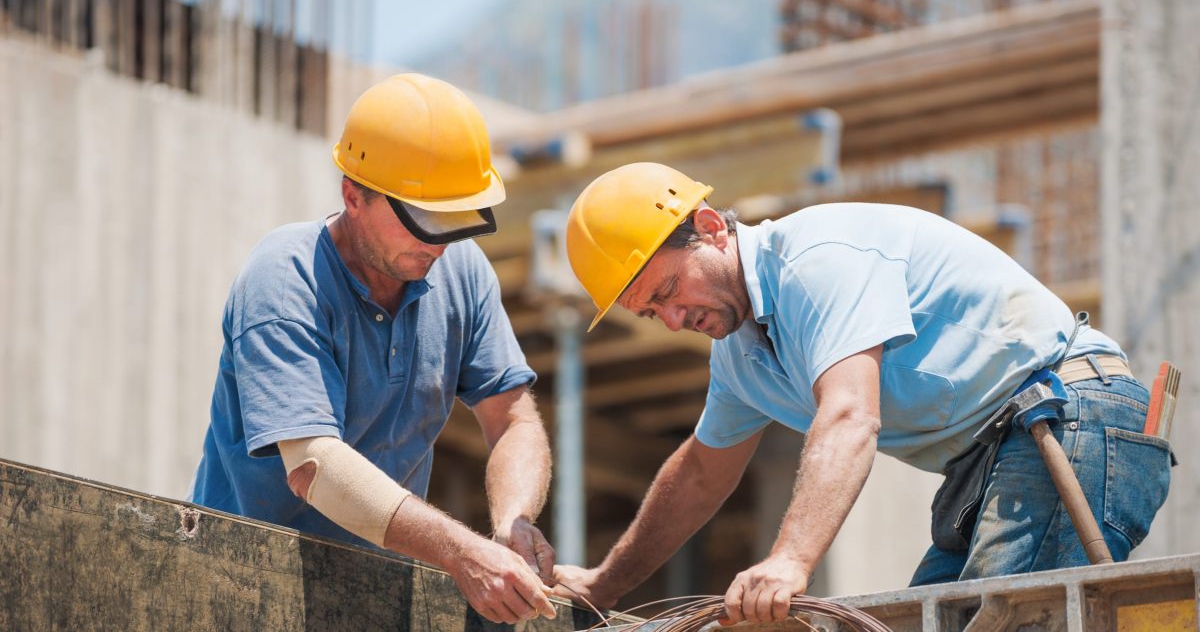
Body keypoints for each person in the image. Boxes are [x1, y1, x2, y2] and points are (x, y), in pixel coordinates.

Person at [552, 162, 1172, 624]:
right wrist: (604, 586)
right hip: (999, 458)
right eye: (650, 313)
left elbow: (850, 417)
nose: (672, 319)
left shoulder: (817, 260)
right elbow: (698, 478)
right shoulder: (741, 356)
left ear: (711, 229)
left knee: (998, 617)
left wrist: (790, 561)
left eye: (668, 291)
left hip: (1071, 415)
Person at [188, 74, 556, 624]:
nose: (437, 242)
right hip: (243, 590)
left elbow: (514, 421)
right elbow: (314, 466)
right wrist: (461, 552)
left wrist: (513, 523)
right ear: (352, 196)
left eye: (453, 219)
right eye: (421, 220)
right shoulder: (285, 278)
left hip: (377, 597)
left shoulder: (463, 272)